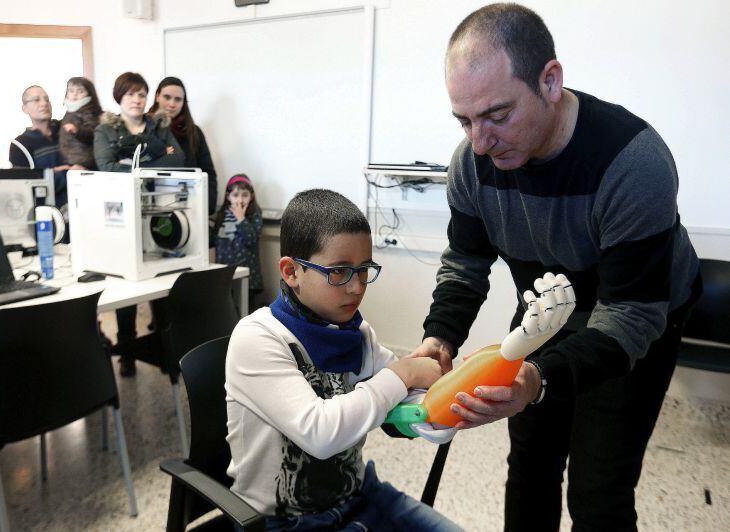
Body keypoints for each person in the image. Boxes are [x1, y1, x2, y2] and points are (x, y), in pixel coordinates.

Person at [411, 4, 702, 531]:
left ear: (550, 81)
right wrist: (441, 336)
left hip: (640, 316)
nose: (479, 141)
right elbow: (465, 264)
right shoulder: (470, 164)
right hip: (545, 313)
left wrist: (537, 379)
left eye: (497, 116)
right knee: (531, 463)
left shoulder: (632, 163)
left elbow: (630, 318)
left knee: (598, 489)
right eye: (465, 120)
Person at [225, 189, 462, 531]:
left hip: (357, 495)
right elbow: (320, 433)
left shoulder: (357, 332)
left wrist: (442, 405)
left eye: (364, 269)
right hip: (284, 521)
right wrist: (405, 373)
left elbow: (401, 401)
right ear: (291, 272)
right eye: (339, 272)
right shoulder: (259, 337)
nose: (357, 287)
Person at [94, 71, 185, 377]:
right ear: (119, 97)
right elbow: (106, 167)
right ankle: (127, 349)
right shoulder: (106, 130)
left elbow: (178, 160)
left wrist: (134, 166)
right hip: (121, 218)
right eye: (131, 93)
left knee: (159, 280)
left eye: (142, 94)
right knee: (128, 286)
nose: (137, 99)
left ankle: (163, 343)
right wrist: (154, 163)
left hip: (157, 213)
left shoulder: (159, 126)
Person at [148, 76, 218, 214]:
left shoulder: (194, 132)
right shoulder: (145, 127)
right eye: (167, 97)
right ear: (157, 96)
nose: (172, 104)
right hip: (151, 205)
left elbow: (208, 171)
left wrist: (208, 205)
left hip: (190, 206)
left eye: (178, 99)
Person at [9, 85, 71, 208]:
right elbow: (25, 185)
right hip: (48, 212)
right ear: (25, 108)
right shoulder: (19, 145)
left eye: (47, 99)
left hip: (81, 203)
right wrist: (68, 173)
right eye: (37, 100)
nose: (44, 103)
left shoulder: (67, 129)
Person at [214, 174, 264, 310]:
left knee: (246, 308)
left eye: (245, 195)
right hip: (225, 274)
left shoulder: (254, 214)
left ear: (251, 196)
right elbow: (216, 241)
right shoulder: (223, 214)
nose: (240, 200)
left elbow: (252, 239)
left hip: (248, 275)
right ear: (228, 196)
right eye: (235, 195)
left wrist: (241, 218)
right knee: (228, 309)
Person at [59, 76, 103, 170]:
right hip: (71, 158)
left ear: (89, 95)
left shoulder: (88, 112)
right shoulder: (70, 111)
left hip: (84, 160)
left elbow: (93, 133)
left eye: (80, 91)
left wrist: (77, 130)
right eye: (71, 91)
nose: (75, 94)